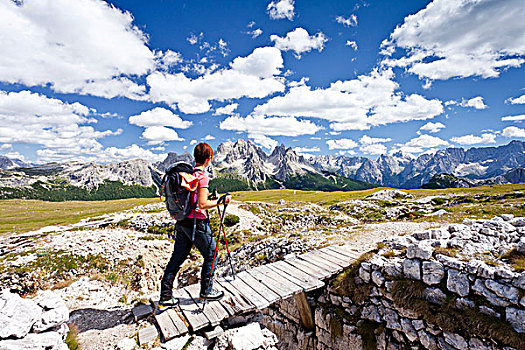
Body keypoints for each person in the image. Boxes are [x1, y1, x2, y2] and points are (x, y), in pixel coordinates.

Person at [159, 142, 231, 310]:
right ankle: (206, 290)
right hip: (197, 222)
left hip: (182, 221)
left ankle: (165, 297)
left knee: (177, 259)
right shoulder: (202, 176)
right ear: (209, 158)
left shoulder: (188, 174)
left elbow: (192, 198)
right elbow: (203, 204)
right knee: (212, 253)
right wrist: (221, 200)